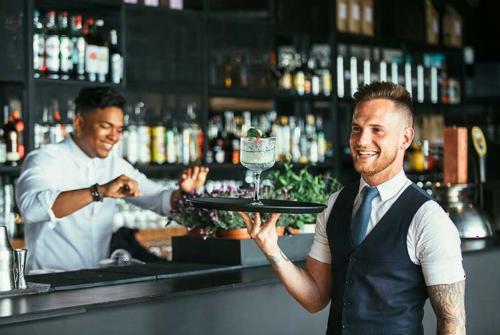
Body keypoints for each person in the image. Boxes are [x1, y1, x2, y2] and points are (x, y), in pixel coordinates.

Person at [239, 82, 466, 334]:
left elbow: (451, 321)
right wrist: (272, 250)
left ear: (405, 138)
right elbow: (315, 298)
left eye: (377, 130)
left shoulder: (428, 218)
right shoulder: (335, 204)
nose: (361, 140)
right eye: (356, 128)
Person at [16, 87, 208, 273]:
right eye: (105, 126)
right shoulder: (45, 158)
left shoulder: (114, 164)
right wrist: (99, 191)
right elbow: (31, 209)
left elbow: (157, 198)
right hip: (51, 281)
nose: (114, 137)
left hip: (95, 280)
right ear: (79, 122)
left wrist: (183, 193)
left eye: (119, 129)